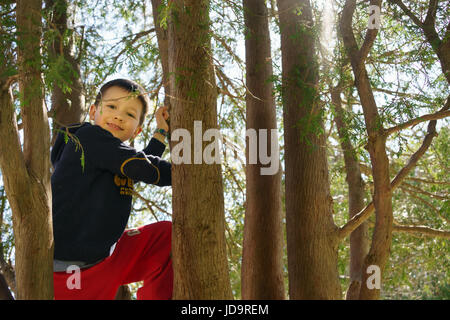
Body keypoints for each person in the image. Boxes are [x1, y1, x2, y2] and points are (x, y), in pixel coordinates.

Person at [51, 78, 172, 300]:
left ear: (137, 131)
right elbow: (139, 166)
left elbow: (135, 167)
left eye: (130, 114)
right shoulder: (88, 138)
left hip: (109, 256)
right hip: (73, 270)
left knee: (167, 238)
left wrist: (161, 133)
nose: (119, 116)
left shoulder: (111, 158)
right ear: (93, 111)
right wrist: (186, 174)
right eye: (112, 107)